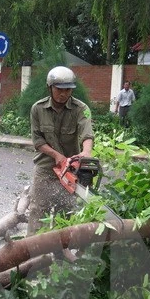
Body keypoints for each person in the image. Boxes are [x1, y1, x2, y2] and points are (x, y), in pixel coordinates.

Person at [26, 66, 94, 236]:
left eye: (68, 90)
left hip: (69, 170)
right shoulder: (37, 109)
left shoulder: (81, 109)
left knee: (65, 212)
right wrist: (56, 156)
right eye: (60, 89)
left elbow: (87, 133)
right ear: (50, 87)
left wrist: (86, 152)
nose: (64, 94)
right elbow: (38, 141)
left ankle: (60, 250)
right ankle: (31, 250)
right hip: (45, 168)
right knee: (38, 209)